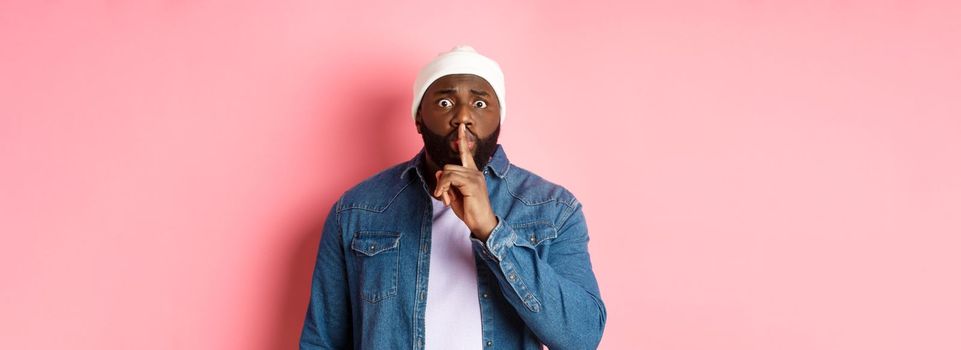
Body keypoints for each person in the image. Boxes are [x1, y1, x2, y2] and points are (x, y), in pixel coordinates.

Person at [299, 46, 606, 350]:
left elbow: (581, 337)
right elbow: (322, 341)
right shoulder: (357, 210)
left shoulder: (553, 208)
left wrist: (490, 230)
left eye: (480, 103)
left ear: (500, 119)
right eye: (445, 102)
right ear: (419, 118)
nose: (463, 117)